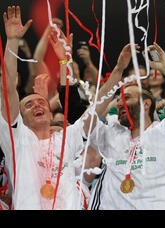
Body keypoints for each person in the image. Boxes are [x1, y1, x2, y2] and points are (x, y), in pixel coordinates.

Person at [0, 6, 105, 209]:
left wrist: (65, 59)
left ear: (50, 113)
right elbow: (7, 89)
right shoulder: (16, 138)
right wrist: (12, 42)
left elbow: (81, 105)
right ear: (19, 117)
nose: (37, 105)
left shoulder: (66, 140)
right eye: (28, 104)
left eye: (41, 102)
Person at [87, 42, 165, 210]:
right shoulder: (110, 132)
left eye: (127, 97)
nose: (120, 103)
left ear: (146, 104)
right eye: (119, 99)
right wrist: (118, 70)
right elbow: (85, 118)